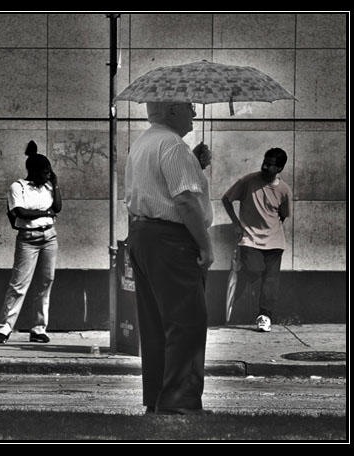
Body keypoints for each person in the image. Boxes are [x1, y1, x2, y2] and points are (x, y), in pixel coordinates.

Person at [124, 101, 213, 415]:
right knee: (186, 323)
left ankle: (157, 399)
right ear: (172, 110)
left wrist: (195, 165)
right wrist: (206, 246)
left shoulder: (145, 142)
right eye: (190, 107)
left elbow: (157, 189)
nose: (195, 113)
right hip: (171, 241)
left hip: (143, 235)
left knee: (155, 325)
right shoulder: (173, 146)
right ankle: (179, 403)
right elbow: (186, 201)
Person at [0, 140, 62, 344]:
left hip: (49, 237)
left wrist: (56, 183)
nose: (48, 175)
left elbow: (57, 208)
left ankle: (39, 328)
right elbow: (20, 212)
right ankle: (5, 327)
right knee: (19, 283)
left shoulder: (49, 186)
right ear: (34, 172)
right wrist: (44, 212)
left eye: (50, 172)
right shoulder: (18, 187)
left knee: (45, 282)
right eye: (45, 172)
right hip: (28, 238)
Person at [222, 148, 292, 333]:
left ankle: (265, 316)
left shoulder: (284, 190)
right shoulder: (248, 181)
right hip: (250, 239)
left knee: (271, 280)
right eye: (264, 161)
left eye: (270, 164)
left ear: (280, 168)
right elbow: (226, 199)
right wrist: (237, 225)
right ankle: (241, 270)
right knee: (254, 269)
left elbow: (283, 215)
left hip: (275, 241)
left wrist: (270, 228)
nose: (264, 166)